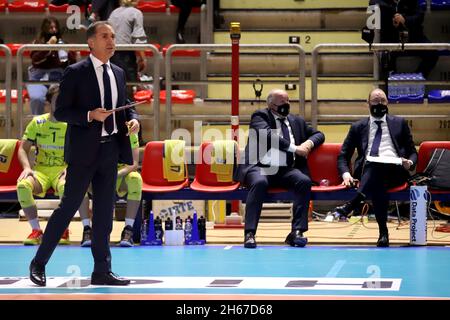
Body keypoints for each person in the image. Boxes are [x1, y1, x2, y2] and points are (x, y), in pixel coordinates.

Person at [29, 21, 140, 287]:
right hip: (83, 152)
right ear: (91, 42)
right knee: (67, 208)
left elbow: (124, 105)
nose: (111, 40)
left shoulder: (118, 72)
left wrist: (133, 119)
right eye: (105, 36)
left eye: (113, 36)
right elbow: (62, 112)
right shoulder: (75, 71)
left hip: (110, 149)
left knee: (104, 213)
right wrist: (90, 115)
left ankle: (102, 270)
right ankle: (39, 262)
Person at [235, 89, 325, 249]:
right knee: (260, 182)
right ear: (271, 105)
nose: (286, 105)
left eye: (288, 102)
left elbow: (319, 134)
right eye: (282, 103)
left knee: (303, 181)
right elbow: (269, 136)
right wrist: (295, 149)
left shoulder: (296, 121)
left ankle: (296, 232)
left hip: (284, 169)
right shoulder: (260, 116)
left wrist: (308, 144)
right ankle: (249, 233)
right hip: (259, 166)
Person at [332, 88, 417, 247]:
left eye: (382, 101)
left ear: (387, 103)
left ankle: (354, 203)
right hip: (369, 171)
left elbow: (413, 152)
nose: (379, 104)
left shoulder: (400, 123)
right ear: (368, 104)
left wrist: (410, 163)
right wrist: (345, 175)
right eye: (375, 101)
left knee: (378, 172)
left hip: (396, 170)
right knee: (377, 176)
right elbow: (343, 155)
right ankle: (383, 233)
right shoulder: (358, 127)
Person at [17, 85, 90, 246]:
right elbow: (23, 149)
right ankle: (36, 231)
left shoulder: (72, 124)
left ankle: (63, 229)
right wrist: (27, 168)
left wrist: (70, 168)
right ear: (49, 103)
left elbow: (83, 150)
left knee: (68, 188)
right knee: (22, 186)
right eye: (58, 100)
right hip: (40, 173)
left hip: (62, 171)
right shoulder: (37, 122)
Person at [80, 132, 142, 248]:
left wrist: (115, 174)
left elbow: (134, 164)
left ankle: (128, 230)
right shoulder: (96, 129)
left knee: (136, 179)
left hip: (121, 175)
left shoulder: (130, 129)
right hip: (99, 174)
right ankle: (87, 230)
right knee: (80, 180)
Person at [370, 0, 439, 79]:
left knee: (433, 53)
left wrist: (404, 19)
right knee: (385, 56)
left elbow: (419, 17)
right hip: (391, 38)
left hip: (413, 38)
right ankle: (390, 84)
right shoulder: (381, 2)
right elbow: (372, 4)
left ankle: (417, 80)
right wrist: (392, 16)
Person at [27, 17, 77, 115]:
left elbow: (72, 63)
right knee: (37, 98)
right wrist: (48, 46)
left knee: (61, 98)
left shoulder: (63, 43)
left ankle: (58, 125)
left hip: (58, 78)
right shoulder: (37, 43)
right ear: (44, 29)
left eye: (55, 27)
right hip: (39, 78)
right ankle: (38, 124)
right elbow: (35, 61)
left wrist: (68, 52)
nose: (54, 30)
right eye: (50, 28)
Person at [108, 0, 147, 99]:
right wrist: (143, 58)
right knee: (128, 87)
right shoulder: (136, 13)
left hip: (110, 53)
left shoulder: (114, 12)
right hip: (126, 54)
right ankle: (128, 112)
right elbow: (138, 38)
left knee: (115, 87)